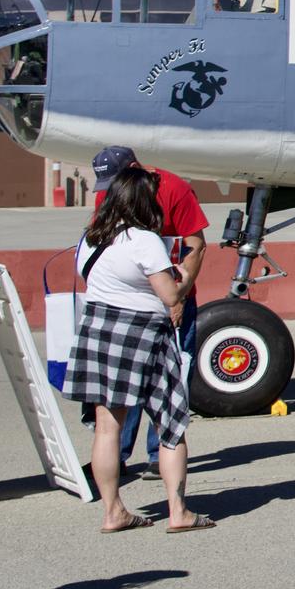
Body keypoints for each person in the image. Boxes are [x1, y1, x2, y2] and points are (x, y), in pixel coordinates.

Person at [62, 166, 210, 532]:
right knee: (171, 424)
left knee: (107, 427)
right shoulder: (144, 240)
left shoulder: (93, 237)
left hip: (99, 330)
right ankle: (179, 512)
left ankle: (113, 511)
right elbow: (171, 294)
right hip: (144, 335)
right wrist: (185, 274)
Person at [86, 146, 208, 479]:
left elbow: (194, 245)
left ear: (136, 170)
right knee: (122, 386)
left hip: (172, 296)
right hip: (128, 306)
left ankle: (158, 453)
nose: (109, 191)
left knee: (168, 383)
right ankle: (120, 455)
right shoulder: (111, 195)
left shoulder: (174, 189)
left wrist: (178, 297)